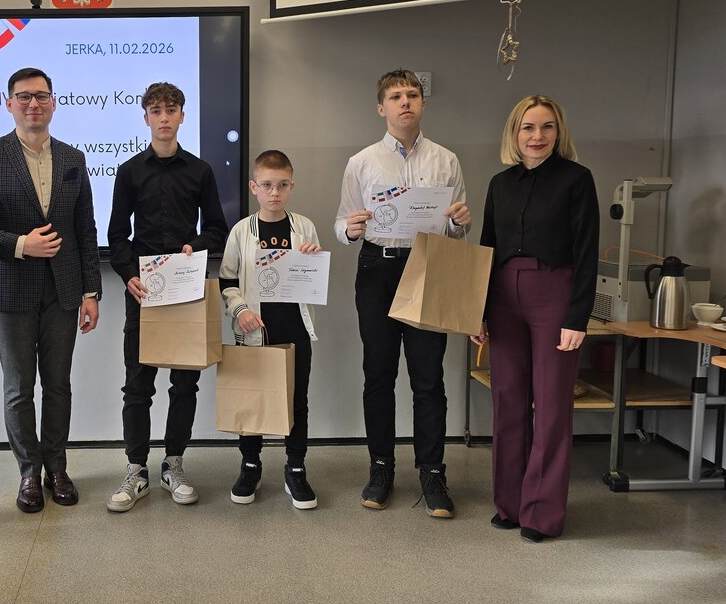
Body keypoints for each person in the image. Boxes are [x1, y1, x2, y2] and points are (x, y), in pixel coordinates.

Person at [334, 68, 471, 518]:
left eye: (412, 94)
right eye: (395, 96)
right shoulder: (362, 162)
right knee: (379, 374)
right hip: (378, 268)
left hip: (428, 266)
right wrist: (349, 229)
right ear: (382, 108)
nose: (405, 102)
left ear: (423, 103)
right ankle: (381, 468)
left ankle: (432, 472)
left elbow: (456, 228)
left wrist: (461, 222)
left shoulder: (446, 160)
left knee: (428, 378)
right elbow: (341, 222)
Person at [0, 68, 101, 513]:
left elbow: (84, 228)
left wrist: (92, 292)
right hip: (12, 289)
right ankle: (28, 472)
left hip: (65, 290)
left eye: (41, 96)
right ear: (9, 104)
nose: (33, 104)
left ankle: (56, 468)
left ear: (53, 103)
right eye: (23, 96)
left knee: (58, 385)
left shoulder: (74, 158)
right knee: (19, 388)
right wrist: (21, 245)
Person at [470, 95, 599, 542]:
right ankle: (509, 504)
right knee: (507, 399)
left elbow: (587, 251)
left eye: (547, 127)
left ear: (558, 133)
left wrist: (578, 317)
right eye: (528, 127)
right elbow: (487, 248)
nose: (537, 136)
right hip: (503, 296)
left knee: (551, 405)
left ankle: (541, 513)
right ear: (515, 133)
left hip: (555, 293)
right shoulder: (499, 184)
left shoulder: (577, 180)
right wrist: (477, 312)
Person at [106, 81, 228, 511]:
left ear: (181, 116)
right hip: (143, 291)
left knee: (184, 384)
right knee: (137, 386)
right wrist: (127, 275)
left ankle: (173, 463)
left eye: (170, 110)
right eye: (155, 110)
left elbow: (217, 228)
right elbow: (116, 235)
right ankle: (136, 469)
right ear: (145, 118)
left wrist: (196, 245)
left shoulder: (200, 171)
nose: (163, 117)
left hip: (188, 289)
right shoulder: (128, 171)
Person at [219, 150, 321, 509]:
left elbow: (314, 280)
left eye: (282, 185)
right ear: (254, 188)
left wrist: (313, 259)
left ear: (291, 186)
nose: (274, 193)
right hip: (255, 330)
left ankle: (296, 468)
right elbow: (227, 280)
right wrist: (241, 310)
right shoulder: (241, 231)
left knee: (297, 400)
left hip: (295, 329)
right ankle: (250, 466)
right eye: (266, 185)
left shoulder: (304, 227)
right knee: (252, 399)